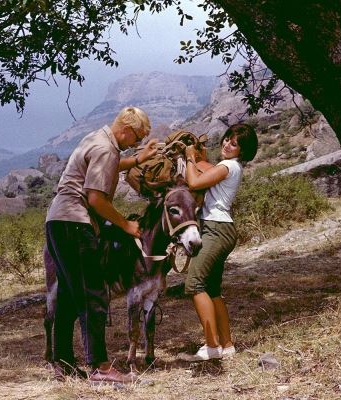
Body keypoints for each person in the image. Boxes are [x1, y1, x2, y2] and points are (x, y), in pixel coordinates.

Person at [45, 106, 158, 382]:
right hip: (76, 224)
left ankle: (62, 363)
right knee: (93, 295)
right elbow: (96, 199)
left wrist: (137, 159)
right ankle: (100, 367)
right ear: (127, 130)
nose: (137, 143)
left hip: (57, 222)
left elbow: (108, 165)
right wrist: (126, 224)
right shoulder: (107, 148)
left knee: (70, 298)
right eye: (137, 138)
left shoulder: (98, 138)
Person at [179, 123, 258, 361]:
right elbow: (206, 171)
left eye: (234, 144)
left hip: (216, 228)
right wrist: (199, 158)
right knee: (212, 290)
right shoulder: (230, 167)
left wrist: (190, 158)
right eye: (227, 139)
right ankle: (227, 345)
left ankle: (212, 346)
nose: (227, 144)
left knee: (194, 284)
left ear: (242, 151)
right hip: (219, 228)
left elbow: (193, 183)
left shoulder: (227, 166)